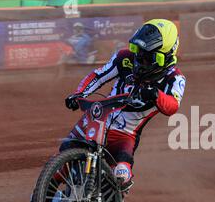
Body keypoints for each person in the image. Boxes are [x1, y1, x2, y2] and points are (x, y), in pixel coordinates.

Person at [63, 18, 185, 191]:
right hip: (95, 120)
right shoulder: (124, 57)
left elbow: (173, 106)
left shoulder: (174, 78)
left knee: (121, 175)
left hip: (125, 135)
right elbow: (98, 75)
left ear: (163, 56)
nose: (139, 57)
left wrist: (156, 94)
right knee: (64, 155)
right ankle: (43, 196)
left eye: (147, 55)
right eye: (137, 50)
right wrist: (79, 93)